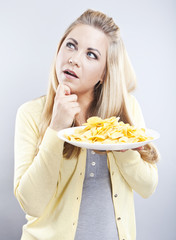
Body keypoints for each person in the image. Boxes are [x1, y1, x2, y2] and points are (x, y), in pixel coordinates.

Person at [14, 9, 159, 240]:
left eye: (91, 54)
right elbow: (32, 204)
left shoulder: (127, 109)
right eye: (71, 45)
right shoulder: (30, 114)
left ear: (104, 72)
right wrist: (56, 127)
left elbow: (148, 187)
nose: (74, 58)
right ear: (60, 48)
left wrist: (121, 146)